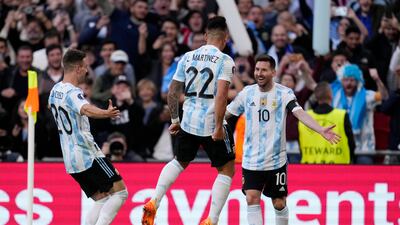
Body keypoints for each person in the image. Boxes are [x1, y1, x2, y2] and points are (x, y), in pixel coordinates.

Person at [142, 16, 236, 225]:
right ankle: (212, 219)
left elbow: (173, 91)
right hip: (212, 122)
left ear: (204, 36)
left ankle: (155, 200)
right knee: (227, 168)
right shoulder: (225, 60)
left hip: (189, 121)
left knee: (179, 161)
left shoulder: (187, 56)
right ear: (225, 38)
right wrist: (219, 127)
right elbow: (221, 96)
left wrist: (175, 119)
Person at [226, 55, 340, 225]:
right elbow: (228, 113)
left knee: (279, 203)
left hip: (275, 160)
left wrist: (320, 129)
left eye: (264, 70)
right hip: (251, 159)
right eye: (257, 69)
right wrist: (214, 122)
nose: (259, 73)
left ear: (273, 72)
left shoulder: (283, 93)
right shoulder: (247, 93)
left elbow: (299, 112)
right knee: (251, 198)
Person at [48, 49, 128, 225]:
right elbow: (85, 108)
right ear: (77, 68)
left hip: (70, 158)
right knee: (120, 192)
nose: (86, 70)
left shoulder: (55, 91)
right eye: (85, 67)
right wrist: (106, 113)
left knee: (102, 199)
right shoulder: (72, 92)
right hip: (87, 153)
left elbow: (51, 108)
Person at [298, 82, 355, 164]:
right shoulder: (341, 115)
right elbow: (351, 143)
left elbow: (300, 145)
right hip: (339, 169)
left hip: (310, 170)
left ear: (316, 97)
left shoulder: (304, 117)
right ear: (331, 95)